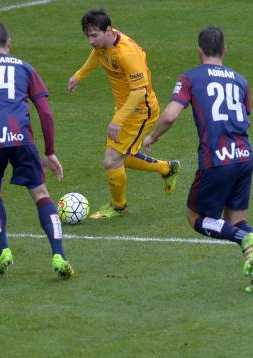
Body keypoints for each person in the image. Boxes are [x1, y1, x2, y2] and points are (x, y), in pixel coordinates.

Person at [143, 27, 253, 294]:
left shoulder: (190, 78)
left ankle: (244, 238)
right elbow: (245, 117)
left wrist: (152, 137)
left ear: (199, 50)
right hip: (244, 156)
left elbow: (169, 116)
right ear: (225, 49)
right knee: (237, 218)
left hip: (216, 159)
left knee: (196, 217)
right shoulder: (240, 80)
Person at [0, 21, 73, 278]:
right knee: (40, 193)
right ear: (9, 42)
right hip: (21, 137)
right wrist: (50, 151)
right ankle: (59, 255)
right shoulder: (26, 68)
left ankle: (3, 250)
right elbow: (46, 112)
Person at [67, 8, 180, 219]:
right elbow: (98, 55)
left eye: (94, 35)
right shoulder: (104, 43)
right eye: (88, 36)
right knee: (121, 157)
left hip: (139, 111)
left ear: (108, 30)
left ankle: (119, 206)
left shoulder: (127, 53)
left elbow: (139, 91)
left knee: (112, 160)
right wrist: (79, 74)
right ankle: (167, 168)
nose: (91, 41)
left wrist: (118, 120)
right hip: (124, 108)